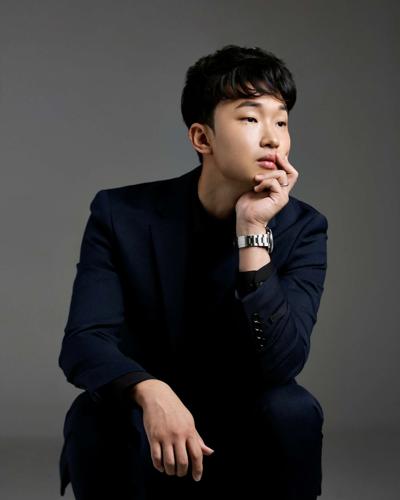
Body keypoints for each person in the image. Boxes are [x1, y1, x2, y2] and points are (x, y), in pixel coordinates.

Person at [58, 44, 328, 499]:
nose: (272, 139)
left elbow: (283, 363)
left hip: (246, 430)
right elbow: (84, 341)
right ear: (202, 138)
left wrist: (252, 232)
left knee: (293, 409)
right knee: (94, 413)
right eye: (250, 118)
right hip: (145, 427)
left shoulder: (303, 227)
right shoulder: (121, 214)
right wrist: (151, 391)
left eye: (281, 122)